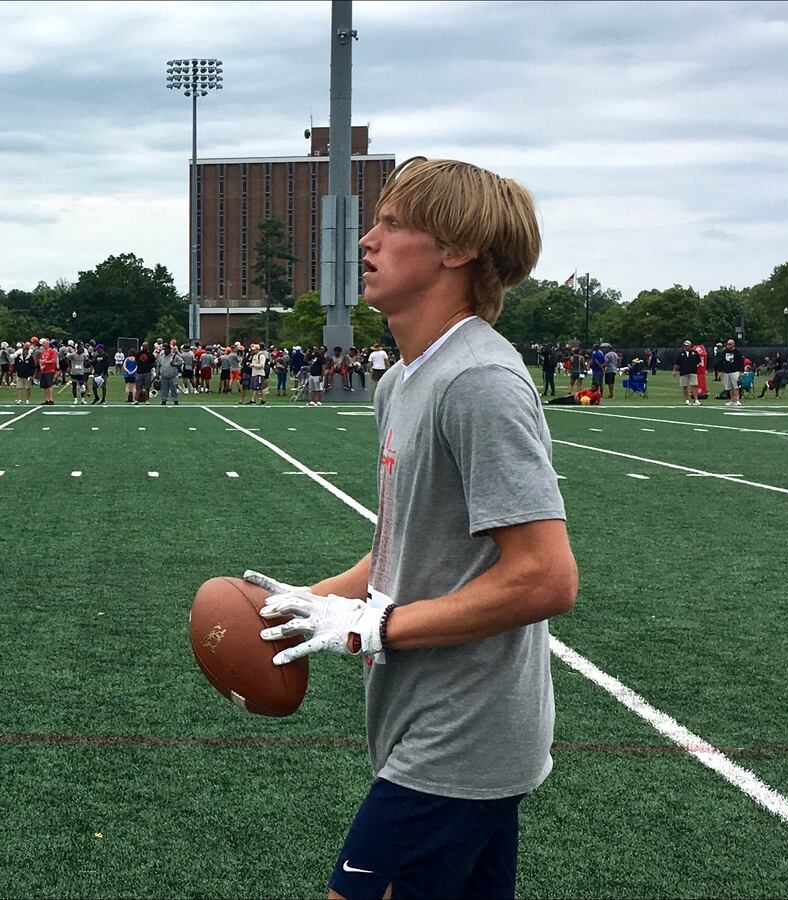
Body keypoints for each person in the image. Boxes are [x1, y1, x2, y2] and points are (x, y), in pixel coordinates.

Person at [246, 157, 576, 900]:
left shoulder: (478, 381)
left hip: (461, 734)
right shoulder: (401, 379)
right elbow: (400, 549)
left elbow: (545, 577)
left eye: (393, 224)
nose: (368, 239)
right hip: (426, 719)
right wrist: (308, 601)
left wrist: (372, 629)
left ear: (456, 251)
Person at [715, 338, 743, 406]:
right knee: (729, 387)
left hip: (735, 371)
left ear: (733, 344)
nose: (728, 345)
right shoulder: (724, 352)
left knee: (736, 386)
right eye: (727, 344)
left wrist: (741, 371)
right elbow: (722, 361)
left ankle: (737, 400)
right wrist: (720, 371)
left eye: (730, 344)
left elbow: (741, 362)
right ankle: (732, 400)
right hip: (727, 372)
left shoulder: (737, 352)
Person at [675, 339, 700, 406]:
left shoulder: (695, 353)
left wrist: (693, 365)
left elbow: (698, 361)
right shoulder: (681, 353)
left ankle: (696, 400)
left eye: (687, 345)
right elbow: (677, 363)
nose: (686, 347)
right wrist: (674, 371)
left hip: (693, 371)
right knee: (685, 386)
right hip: (683, 372)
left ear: (690, 346)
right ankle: (687, 400)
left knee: (694, 385)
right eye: (685, 346)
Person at [37, 338, 60, 405]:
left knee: (49, 385)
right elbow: (40, 360)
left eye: (43, 344)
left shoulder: (52, 351)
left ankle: (51, 399)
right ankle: (47, 399)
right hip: (44, 370)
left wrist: (45, 362)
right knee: (45, 386)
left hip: (50, 370)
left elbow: (53, 360)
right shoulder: (43, 352)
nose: (42, 345)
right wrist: (41, 365)